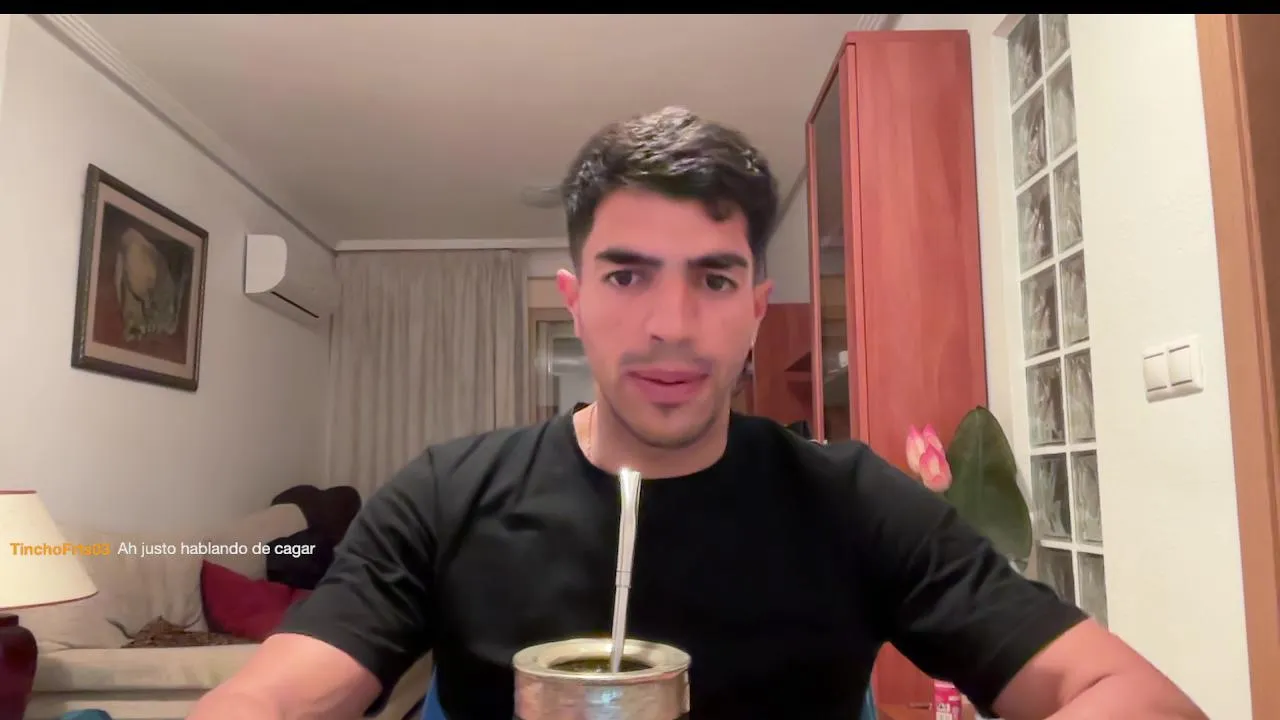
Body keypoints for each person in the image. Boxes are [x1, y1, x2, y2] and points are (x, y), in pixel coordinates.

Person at [189, 107, 1206, 720]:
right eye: (627, 276)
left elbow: (1122, 692)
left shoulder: (852, 501)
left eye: (713, 281)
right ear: (574, 300)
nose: (670, 326)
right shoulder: (445, 494)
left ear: (756, 309)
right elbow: (275, 693)